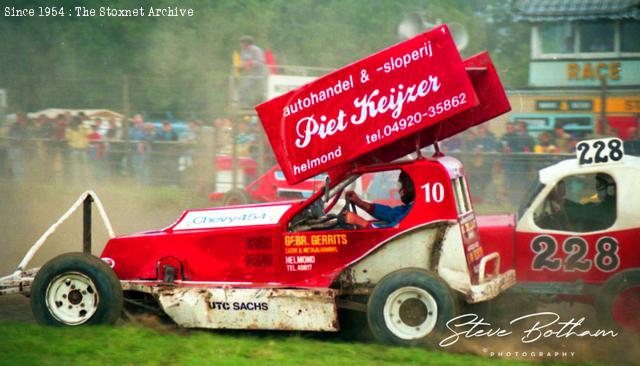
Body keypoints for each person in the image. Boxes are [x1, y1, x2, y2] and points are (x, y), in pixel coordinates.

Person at [342, 171, 414, 229]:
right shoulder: (410, 208)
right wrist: (360, 203)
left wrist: (359, 222)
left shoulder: (415, 211)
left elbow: (390, 233)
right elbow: (390, 214)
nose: (400, 190)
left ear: (410, 186)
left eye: (402, 185)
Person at [238, 35, 268, 107]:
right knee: (244, 87)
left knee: (260, 91)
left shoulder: (255, 50)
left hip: (260, 73)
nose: (241, 45)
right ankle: (245, 104)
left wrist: (251, 63)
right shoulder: (243, 51)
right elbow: (243, 62)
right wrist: (241, 67)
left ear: (246, 43)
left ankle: (260, 104)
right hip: (250, 74)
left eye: (242, 43)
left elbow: (261, 61)